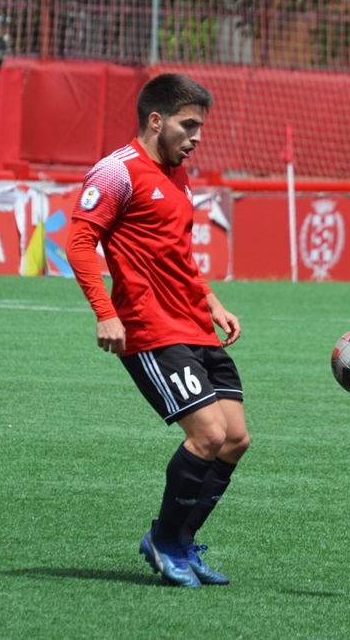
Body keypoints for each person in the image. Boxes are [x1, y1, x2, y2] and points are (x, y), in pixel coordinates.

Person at [67, 74, 250, 586]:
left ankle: (179, 541)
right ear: (156, 120)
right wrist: (106, 312)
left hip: (194, 323)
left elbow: (178, 254)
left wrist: (213, 302)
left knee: (235, 439)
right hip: (151, 327)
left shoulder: (178, 174)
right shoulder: (116, 172)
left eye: (199, 127)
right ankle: (166, 541)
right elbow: (80, 244)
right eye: (188, 125)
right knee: (208, 434)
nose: (196, 137)